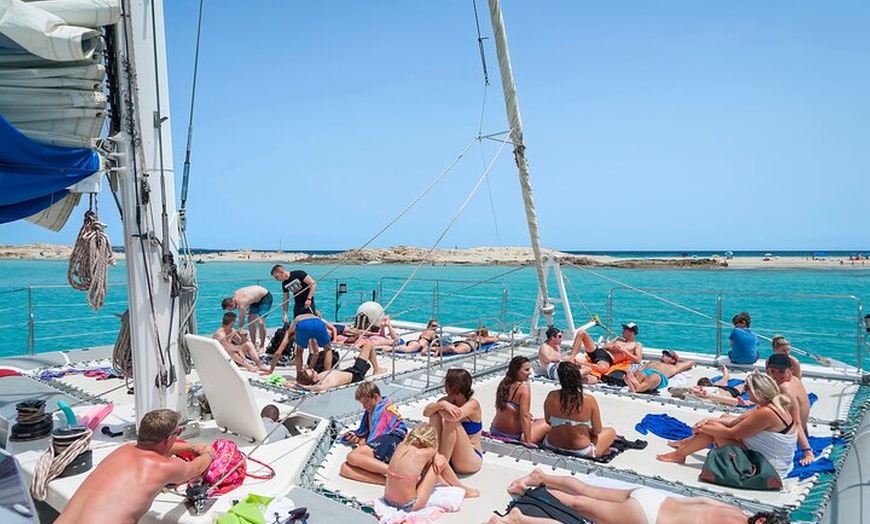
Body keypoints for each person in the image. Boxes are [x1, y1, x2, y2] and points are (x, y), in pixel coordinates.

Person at [55, 409, 215, 524]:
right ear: (168, 439)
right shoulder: (163, 467)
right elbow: (196, 468)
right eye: (178, 432)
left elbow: (155, 449)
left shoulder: (124, 450)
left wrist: (191, 447)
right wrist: (209, 453)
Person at [482, 468, 789, 524]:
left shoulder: (735, 510)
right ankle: (526, 506)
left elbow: (697, 502)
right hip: (648, 517)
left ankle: (541, 478)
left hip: (655, 499)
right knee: (579, 507)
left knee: (587, 491)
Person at [657, 371, 800, 478]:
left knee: (714, 430)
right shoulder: (770, 406)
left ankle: (679, 454)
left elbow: (733, 433)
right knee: (715, 424)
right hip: (773, 462)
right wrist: (706, 421)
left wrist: (703, 427)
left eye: (748, 389)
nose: (746, 393)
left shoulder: (766, 412)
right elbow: (735, 421)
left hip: (769, 470)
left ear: (757, 392)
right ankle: (682, 450)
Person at [382, 422, 479, 513]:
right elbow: (436, 452)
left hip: (388, 499)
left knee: (434, 462)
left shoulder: (402, 445)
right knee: (441, 460)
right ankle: (462, 489)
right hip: (409, 506)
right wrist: (435, 455)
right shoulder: (429, 451)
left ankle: (448, 486)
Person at [339, 382, 408, 484]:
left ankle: (397, 473)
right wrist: (356, 437)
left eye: (366, 402)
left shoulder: (386, 411)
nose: (364, 406)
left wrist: (363, 445)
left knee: (352, 456)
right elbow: (366, 432)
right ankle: (388, 482)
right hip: (382, 443)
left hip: (393, 439)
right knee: (344, 469)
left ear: (375, 397)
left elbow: (380, 433)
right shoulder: (371, 411)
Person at [542, 362, 616, 458]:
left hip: (552, 444)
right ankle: (602, 449)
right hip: (581, 450)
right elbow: (597, 430)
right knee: (611, 431)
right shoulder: (588, 400)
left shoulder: (552, 396)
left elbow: (548, 421)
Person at [423, 368, 484, 474]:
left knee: (450, 422)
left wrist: (439, 408)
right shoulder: (446, 401)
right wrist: (441, 405)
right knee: (434, 416)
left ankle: (442, 467)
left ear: (452, 387)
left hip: (470, 458)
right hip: (451, 456)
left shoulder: (473, 404)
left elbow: (453, 417)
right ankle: (438, 459)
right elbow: (426, 412)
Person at [765, 353, 814, 465]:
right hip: (799, 432)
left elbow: (797, 422)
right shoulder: (795, 379)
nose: (776, 375)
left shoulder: (784, 388)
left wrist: (807, 452)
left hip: (791, 436)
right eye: (773, 371)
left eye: (781, 371)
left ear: (790, 370)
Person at [490, 356, 550, 445]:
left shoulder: (504, 383)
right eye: (526, 370)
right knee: (548, 422)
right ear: (516, 371)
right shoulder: (523, 388)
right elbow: (524, 417)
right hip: (514, 436)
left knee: (531, 418)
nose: (529, 373)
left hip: (496, 430)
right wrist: (528, 442)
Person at [290, 341, 385, 392]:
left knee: (368, 346)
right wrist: (304, 386)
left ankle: (375, 368)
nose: (313, 370)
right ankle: (376, 370)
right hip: (356, 374)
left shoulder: (317, 378)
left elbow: (289, 383)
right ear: (313, 380)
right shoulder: (325, 382)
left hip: (347, 371)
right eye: (312, 372)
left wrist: (298, 384)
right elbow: (320, 389)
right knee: (368, 345)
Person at [263, 313, 338, 376]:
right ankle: (326, 375)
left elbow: (278, 353)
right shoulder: (312, 337)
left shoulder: (289, 332)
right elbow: (316, 353)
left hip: (303, 324)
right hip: (318, 323)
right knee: (328, 350)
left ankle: (299, 375)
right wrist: (310, 368)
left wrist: (271, 371)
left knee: (299, 352)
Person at [570, 322, 643, 375]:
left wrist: (623, 350)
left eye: (625, 330)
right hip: (599, 352)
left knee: (603, 369)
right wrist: (611, 347)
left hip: (607, 359)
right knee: (581, 332)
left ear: (631, 332)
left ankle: (580, 363)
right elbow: (604, 347)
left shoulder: (636, 344)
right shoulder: (618, 339)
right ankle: (572, 358)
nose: (622, 331)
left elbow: (638, 360)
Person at [221, 285, 272, 350]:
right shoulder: (236, 294)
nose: (231, 311)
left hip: (265, 297)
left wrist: (240, 329)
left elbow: (241, 317)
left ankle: (262, 345)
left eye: (230, 309)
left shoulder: (241, 304)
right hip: (255, 301)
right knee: (250, 320)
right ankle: (253, 344)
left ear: (232, 304)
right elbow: (248, 296)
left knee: (261, 322)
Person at [625, 350, 695, 393]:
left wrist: (677, 361)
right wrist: (634, 373)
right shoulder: (651, 362)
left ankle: (637, 388)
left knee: (653, 377)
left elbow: (691, 362)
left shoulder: (674, 367)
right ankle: (634, 385)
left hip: (659, 375)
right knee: (639, 374)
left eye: (667, 355)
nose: (664, 355)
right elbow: (639, 369)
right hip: (646, 372)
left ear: (673, 360)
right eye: (663, 354)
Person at [433, 327, 499, 356]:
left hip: (461, 342)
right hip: (468, 345)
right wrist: (488, 337)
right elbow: (496, 339)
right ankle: (438, 350)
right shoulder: (482, 339)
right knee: (455, 350)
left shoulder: (471, 335)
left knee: (450, 347)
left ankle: (434, 349)